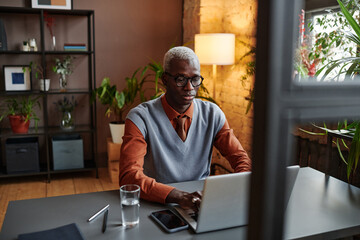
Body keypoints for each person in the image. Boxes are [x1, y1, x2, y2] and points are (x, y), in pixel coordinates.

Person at [119, 46, 251, 211]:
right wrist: (180, 197)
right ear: (165, 79)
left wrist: (234, 190)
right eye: (181, 79)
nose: (189, 87)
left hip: (201, 204)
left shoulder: (212, 114)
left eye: (195, 79)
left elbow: (241, 160)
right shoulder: (140, 118)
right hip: (156, 204)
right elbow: (129, 177)